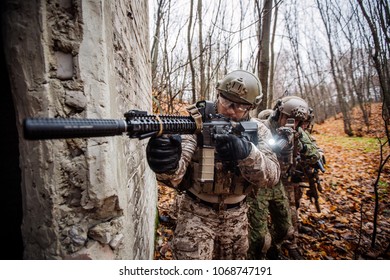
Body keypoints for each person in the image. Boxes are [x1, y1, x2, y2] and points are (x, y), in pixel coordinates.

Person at [146, 70, 280, 260]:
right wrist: (166, 164)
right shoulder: (195, 123)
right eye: (225, 101)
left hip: (237, 219)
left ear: (251, 107)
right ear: (218, 94)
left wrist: (247, 153)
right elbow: (175, 174)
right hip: (196, 215)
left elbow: (272, 176)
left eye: (240, 106)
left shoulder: (258, 131)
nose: (230, 110)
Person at [248, 96, 321, 260]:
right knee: (258, 236)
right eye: (289, 119)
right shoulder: (261, 127)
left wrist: (300, 145)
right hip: (260, 185)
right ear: (278, 114)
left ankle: (273, 248)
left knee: (285, 229)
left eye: (296, 121)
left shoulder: (298, 132)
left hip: (279, 183)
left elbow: (314, 155)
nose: (292, 124)